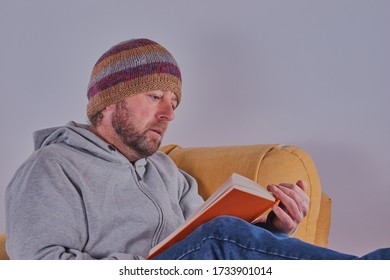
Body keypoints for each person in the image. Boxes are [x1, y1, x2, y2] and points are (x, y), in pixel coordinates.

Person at [4, 38, 389, 260]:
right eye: (155, 96)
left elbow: (215, 247)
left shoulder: (167, 173)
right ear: (108, 101)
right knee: (217, 236)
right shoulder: (52, 167)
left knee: (225, 232)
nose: (168, 113)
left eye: (174, 101)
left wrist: (274, 229)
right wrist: (146, 266)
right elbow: (39, 266)